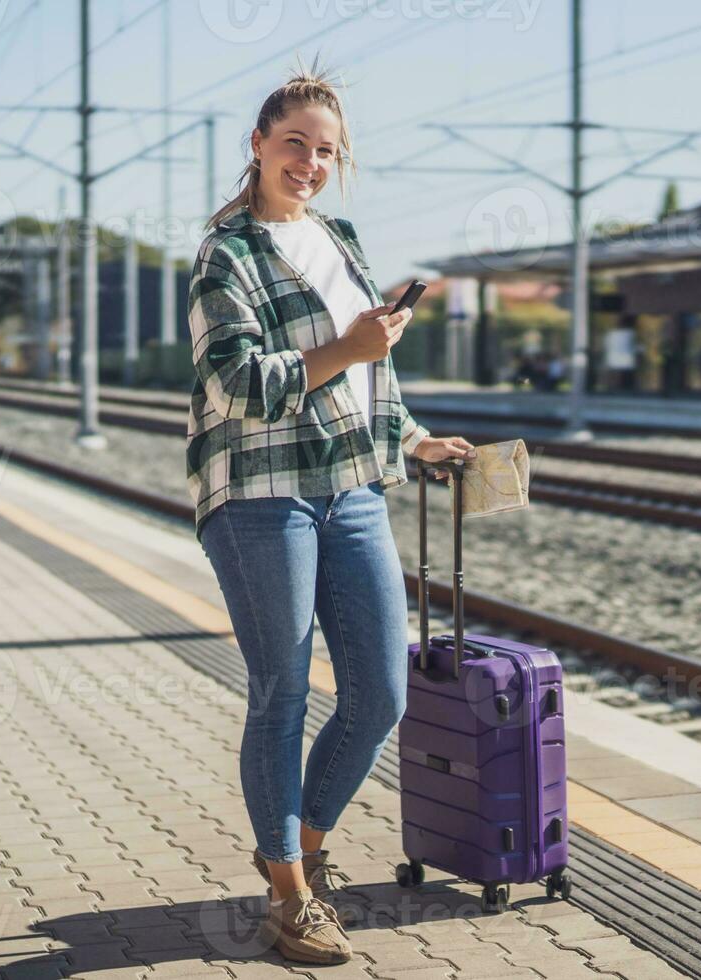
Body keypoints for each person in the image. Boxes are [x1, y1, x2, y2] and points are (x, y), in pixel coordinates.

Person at [187, 56, 475, 965]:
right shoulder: (225, 253)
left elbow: (370, 370)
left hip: (350, 485)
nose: (309, 164)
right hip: (261, 495)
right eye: (295, 145)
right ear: (260, 145)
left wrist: (415, 435)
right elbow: (236, 385)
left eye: (325, 152)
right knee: (280, 694)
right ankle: (288, 896)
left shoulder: (339, 236)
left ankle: (304, 856)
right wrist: (346, 349)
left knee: (381, 693)